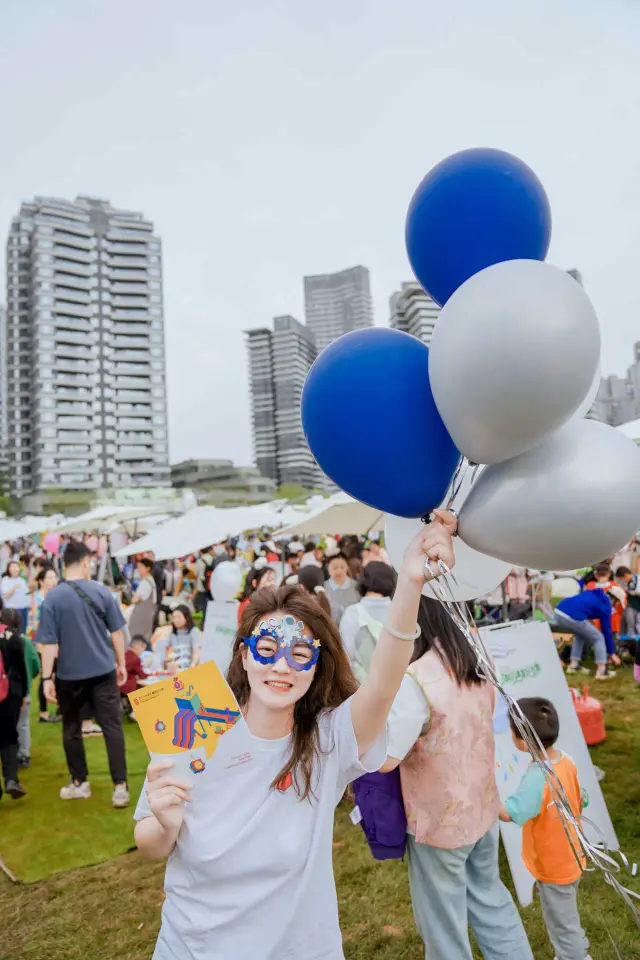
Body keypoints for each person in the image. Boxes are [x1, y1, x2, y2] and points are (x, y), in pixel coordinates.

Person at [134, 512, 457, 960]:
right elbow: (150, 845)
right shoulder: (189, 719)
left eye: (299, 653)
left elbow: (383, 684)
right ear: (244, 657)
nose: (281, 666)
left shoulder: (327, 740)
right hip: (191, 948)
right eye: (266, 650)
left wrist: (409, 580)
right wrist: (164, 823)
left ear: (315, 667)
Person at [380, 596, 532, 960]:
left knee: (443, 923)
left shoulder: (416, 679)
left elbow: (386, 758)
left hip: (440, 820)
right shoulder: (477, 656)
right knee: (489, 895)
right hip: (482, 802)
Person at [37, 540, 130, 808]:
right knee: (112, 728)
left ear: (63, 564)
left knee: (72, 730)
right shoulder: (101, 592)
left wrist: (46, 679)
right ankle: (120, 786)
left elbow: (49, 644)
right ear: (87, 561)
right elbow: (116, 633)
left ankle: (80, 782)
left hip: (69, 675)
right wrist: (121, 663)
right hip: (102, 671)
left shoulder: (52, 597)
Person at [499, 698, 590, 960]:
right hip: (571, 854)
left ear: (523, 740)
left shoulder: (537, 777)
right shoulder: (566, 761)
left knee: (562, 924)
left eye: (512, 730)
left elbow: (511, 813)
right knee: (565, 914)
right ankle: (574, 950)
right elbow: (582, 797)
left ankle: (574, 956)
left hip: (554, 865)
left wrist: (489, 800)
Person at [339, 562, 397, 682]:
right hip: (398, 687)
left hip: (361, 688)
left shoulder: (352, 613)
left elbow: (346, 657)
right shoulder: (401, 612)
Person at [552, 587, 617, 679]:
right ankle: (602, 671)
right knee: (599, 638)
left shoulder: (593, 593)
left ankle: (574, 666)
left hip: (558, 612)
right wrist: (612, 653)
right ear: (614, 599)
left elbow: (584, 607)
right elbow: (606, 630)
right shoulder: (605, 605)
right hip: (572, 616)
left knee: (581, 635)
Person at [0, 604, 28, 801]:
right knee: (9, 736)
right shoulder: (13, 636)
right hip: (10, 692)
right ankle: (11, 779)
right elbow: (21, 668)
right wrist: (24, 692)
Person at [30, 565, 60, 723]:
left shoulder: (58, 596)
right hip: (45, 643)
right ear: (41, 581)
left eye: (55, 577)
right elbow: (36, 623)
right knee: (46, 676)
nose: (53, 580)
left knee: (60, 674)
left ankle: (61, 707)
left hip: (59, 642)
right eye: (49, 577)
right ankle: (43, 712)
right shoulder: (38, 598)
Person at [154, 606, 203, 671]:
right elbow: (163, 646)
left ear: (186, 618)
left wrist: (193, 665)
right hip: (176, 667)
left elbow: (197, 650)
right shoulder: (173, 633)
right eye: (174, 617)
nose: (176, 620)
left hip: (190, 668)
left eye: (179, 617)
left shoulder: (194, 631)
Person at [128, 557, 158, 649]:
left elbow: (135, 599)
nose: (138, 570)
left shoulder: (145, 582)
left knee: (138, 641)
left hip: (141, 617)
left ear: (147, 568)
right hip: (147, 615)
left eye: (140, 567)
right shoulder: (150, 580)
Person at [324, 552, 360, 624]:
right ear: (329, 569)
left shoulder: (356, 586)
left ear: (347, 568)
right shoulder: (324, 586)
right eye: (335, 568)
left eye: (342, 567)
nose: (339, 571)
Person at [1, 560, 31, 635]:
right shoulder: (5, 580)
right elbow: (5, 596)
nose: (16, 568)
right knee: (11, 631)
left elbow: (27, 593)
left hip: (23, 608)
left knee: (22, 630)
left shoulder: (22, 580)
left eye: (17, 566)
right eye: (13, 567)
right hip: (12, 609)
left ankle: (22, 644)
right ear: (9, 569)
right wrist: (14, 587)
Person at [616, 565, 640, 639]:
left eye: (622, 579)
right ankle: (631, 642)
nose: (622, 581)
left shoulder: (637, 579)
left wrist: (628, 591)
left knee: (638, 624)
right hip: (632, 605)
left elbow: (637, 591)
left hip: (637, 605)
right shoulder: (629, 582)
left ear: (626, 575)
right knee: (630, 623)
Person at [194, 547, 215, 614]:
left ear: (200, 552)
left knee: (201, 604)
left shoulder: (199, 561)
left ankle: (202, 618)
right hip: (211, 585)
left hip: (202, 585)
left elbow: (196, 573)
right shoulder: (213, 559)